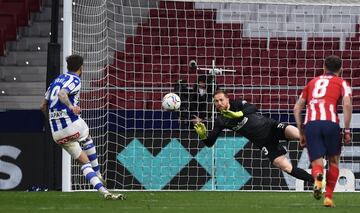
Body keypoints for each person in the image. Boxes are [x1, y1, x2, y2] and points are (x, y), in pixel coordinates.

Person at [40, 54, 125, 200]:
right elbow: (62, 94)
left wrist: (52, 122)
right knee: (87, 136)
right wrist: (71, 106)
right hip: (71, 123)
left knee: (83, 161)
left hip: (57, 133)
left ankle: (104, 192)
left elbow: (42, 105)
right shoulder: (75, 79)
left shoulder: (55, 80)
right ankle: (98, 172)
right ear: (81, 67)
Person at [192, 90, 314, 185]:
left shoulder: (237, 104)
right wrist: (203, 135)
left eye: (221, 100)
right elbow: (209, 142)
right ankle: (316, 181)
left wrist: (238, 114)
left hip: (271, 127)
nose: (219, 103)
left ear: (227, 99)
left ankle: (324, 146)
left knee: (298, 134)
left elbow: (253, 108)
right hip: (264, 142)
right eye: (216, 101)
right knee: (285, 167)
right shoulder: (221, 121)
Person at [294, 55, 352, 207]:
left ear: (324, 68)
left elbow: (297, 107)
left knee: (316, 162)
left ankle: (318, 176)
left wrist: (301, 131)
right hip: (331, 123)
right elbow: (346, 104)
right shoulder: (342, 83)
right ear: (340, 69)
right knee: (334, 161)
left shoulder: (312, 83)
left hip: (311, 124)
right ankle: (328, 197)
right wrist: (346, 129)